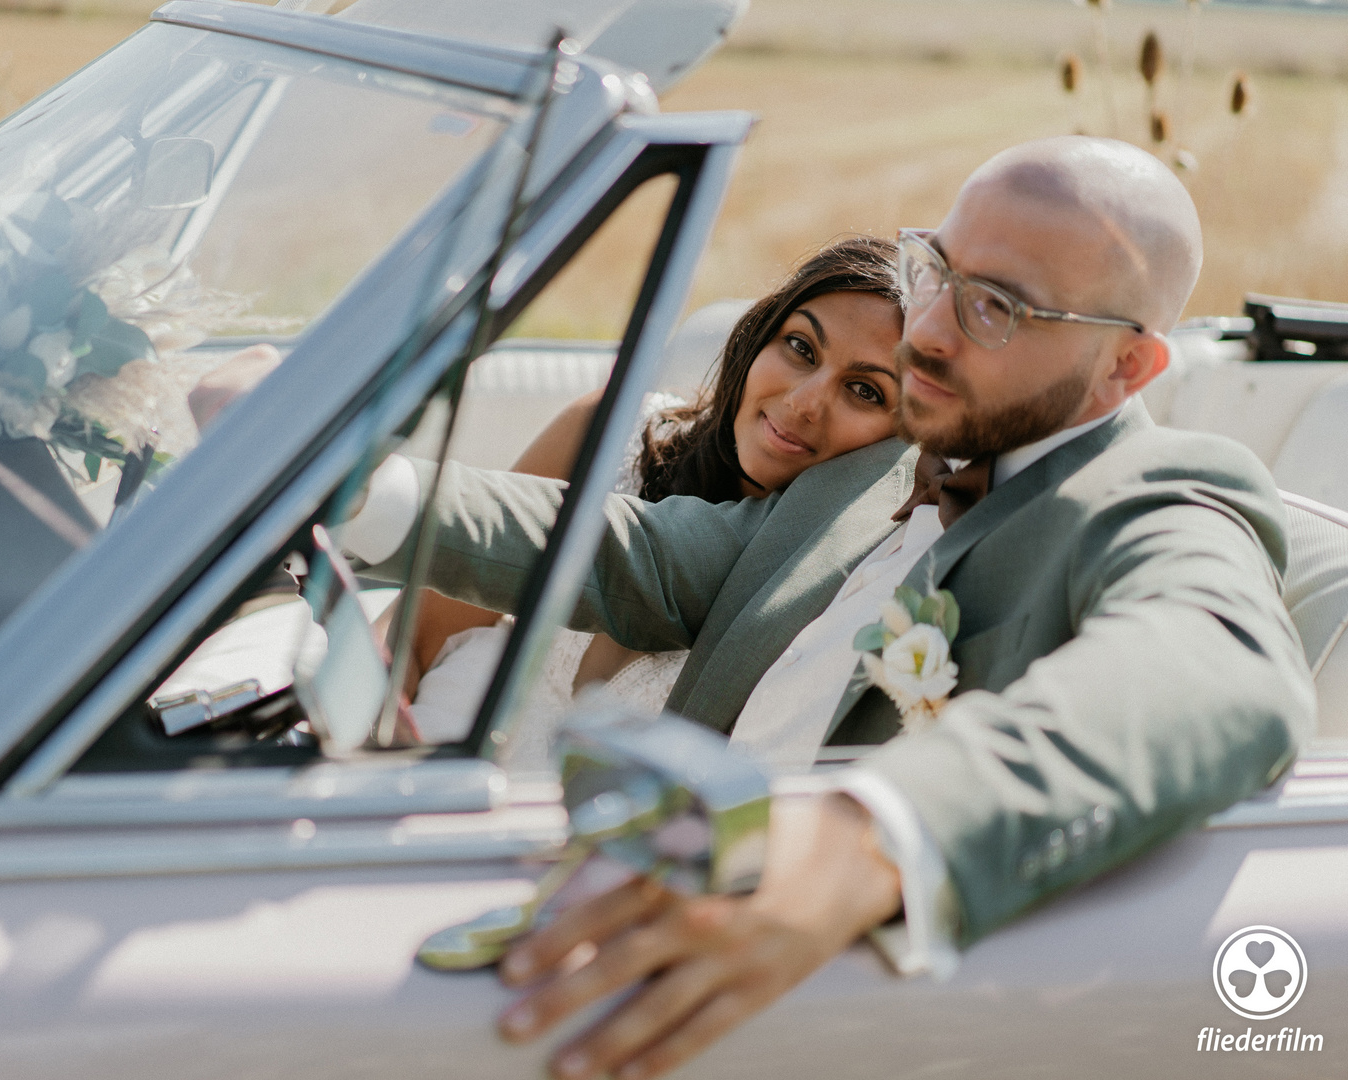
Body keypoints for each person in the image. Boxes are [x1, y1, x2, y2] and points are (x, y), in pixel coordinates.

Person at [345, 135, 1315, 1080]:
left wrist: (873, 836)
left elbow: (1213, 667)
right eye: (934, 269)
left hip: (845, 1001)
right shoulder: (871, 470)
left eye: (997, 308)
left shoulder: (1162, 493)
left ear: (1128, 369)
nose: (928, 328)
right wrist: (366, 491)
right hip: (640, 903)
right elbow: (639, 553)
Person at [392, 236, 910, 742]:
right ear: (760, 337)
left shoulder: (836, 593)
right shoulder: (605, 435)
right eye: (800, 347)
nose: (804, 400)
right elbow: (411, 637)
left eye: (864, 391)